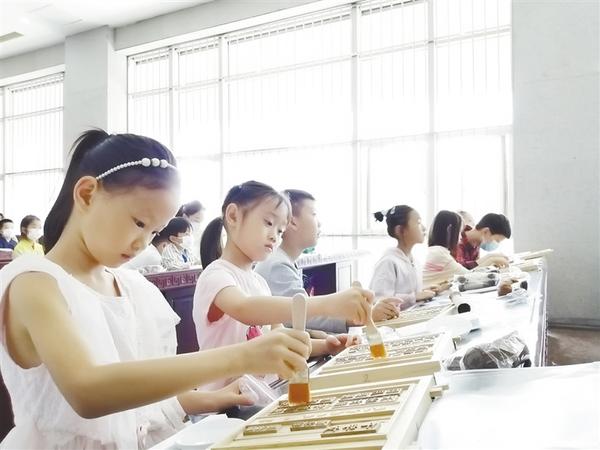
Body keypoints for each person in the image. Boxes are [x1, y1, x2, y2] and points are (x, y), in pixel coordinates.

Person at [0, 130, 311, 449]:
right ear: (87, 194)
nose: (143, 243)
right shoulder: (34, 282)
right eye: (139, 223)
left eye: (154, 232)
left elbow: (141, 401)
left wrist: (214, 397)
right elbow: (88, 391)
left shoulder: (132, 287)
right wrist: (241, 357)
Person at [194, 180, 372, 390]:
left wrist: (326, 345)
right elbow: (245, 309)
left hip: (263, 394)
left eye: (280, 231)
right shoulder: (216, 275)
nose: (274, 237)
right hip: (223, 402)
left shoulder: (259, 282)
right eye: (268, 223)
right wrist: (327, 304)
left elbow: (280, 338)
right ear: (233, 216)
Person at [255, 189, 348, 334]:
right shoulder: (276, 265)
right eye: (314, 214)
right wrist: (353, 317)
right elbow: (304, 314)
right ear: (292, 222)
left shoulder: (282, 260)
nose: (319, 223)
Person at [370, 205, 448, 320]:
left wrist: (425, 291)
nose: (424, 228)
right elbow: (379, 302)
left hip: (411, 317)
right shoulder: (388, 262)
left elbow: (407, 293)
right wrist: (414, 297)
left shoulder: (414, 261)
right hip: (394, 325)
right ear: (400, 230)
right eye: (418, 222)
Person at [423, 210, 469, 286]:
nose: (461, 237)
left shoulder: (435, 251)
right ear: (449, 230)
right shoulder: (440, 254)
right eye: (459, 232)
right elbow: (468, 275)